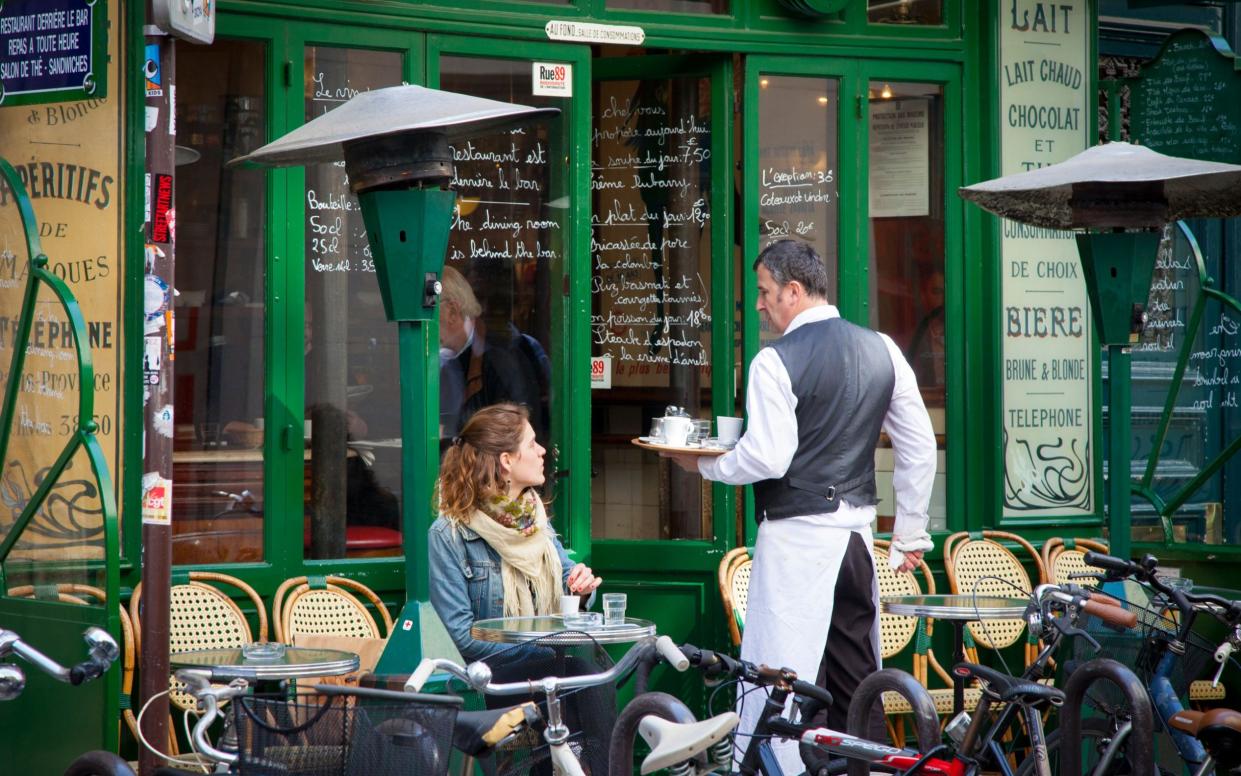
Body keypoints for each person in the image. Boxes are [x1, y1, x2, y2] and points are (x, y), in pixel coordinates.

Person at [663, 239, 936, 774]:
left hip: (794, 542)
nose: (760, 304)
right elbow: (919, 446)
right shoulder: (883, 347)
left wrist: (704, 466)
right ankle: (870, 771)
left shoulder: (774, 360)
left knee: (776, 676)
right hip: (856, 541)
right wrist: (910, 533)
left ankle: (775, 769)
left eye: (764, 292)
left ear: (793, 290)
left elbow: (767, 456)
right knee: (858, 676)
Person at [428, 402, 607, 773]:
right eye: (533, 443)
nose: (544, 452)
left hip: (544, 669)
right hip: (489, 678)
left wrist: (581, 587)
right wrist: (541, 642)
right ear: (506, 460)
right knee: (582, 676)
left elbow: (569, 581)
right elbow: (462, 637)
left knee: (589, 675)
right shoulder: (450, 534)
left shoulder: (536, 524)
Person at [438, 266, 547, 444]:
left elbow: (513, 440)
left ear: (451, 311)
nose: (425, 326)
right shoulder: (447, 358)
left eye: (431, 313)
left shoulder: (501, 360)